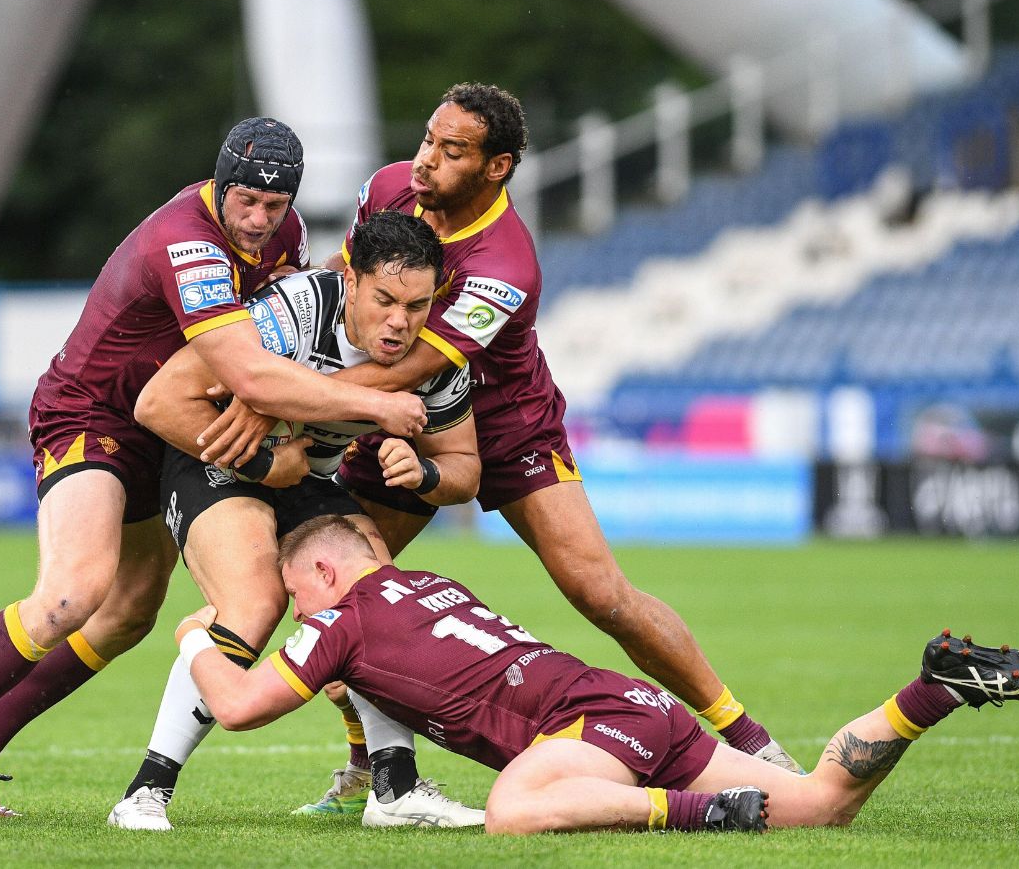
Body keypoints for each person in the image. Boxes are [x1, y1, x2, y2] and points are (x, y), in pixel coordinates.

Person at [197, 84, 797, 816]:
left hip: (506, 428)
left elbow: (410, 369)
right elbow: (348, 273)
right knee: (335, 592)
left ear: (497, 167)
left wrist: (280, 391)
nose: (425, 161)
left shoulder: (504, 263)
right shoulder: (389, 187)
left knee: (599, 592)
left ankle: (749, 738)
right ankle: (374, 773)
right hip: (392, 420)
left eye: (452, 153)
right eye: (427, 139)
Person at [0, 119, 429, 824]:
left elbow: (286, 327)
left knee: (128, 613)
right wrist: (321, 427)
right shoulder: (189, 242)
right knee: (71, 594)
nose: (261, 221)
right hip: (95, 414)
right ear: (218, 181)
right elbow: (245, 370)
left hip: (170, 429)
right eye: (246, 202)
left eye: (275, 206)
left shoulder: (286, 234)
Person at [176, 515, 1019, 834]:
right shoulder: (430, 584)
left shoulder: (340, 617)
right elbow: (408, 674)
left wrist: (198, 641)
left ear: (327, 575)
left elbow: (244, 706)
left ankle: (699, 815)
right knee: (824, 804)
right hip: (634, 707)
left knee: (514, 814)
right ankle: (934, 692)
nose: (295, 615)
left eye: (295, 596)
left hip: (585, 736)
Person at [107, 210, 483, 830]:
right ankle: (144, 795)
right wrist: (264, 462)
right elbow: (159, 404)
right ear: (352, 281)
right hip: (213, 461)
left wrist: (425, 476)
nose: (400, 322)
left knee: (379, 596)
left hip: (304, 473)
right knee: (252, 605)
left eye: (416, 306)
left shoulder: (436, 358)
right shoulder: (296, 309)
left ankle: (395, 789)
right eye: (385, 299)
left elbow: (464, 467)